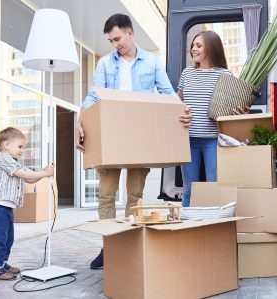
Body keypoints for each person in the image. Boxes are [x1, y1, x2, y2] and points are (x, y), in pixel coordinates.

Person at [75, 13, 191, 270]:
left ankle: (128, 245)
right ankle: (109, 246)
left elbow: (167, 93)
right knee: (106, 195)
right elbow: (94, 96)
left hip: (140, 135)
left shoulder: (152, 61)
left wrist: (182, 110)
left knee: (134, 195)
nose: (115, 44)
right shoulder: (105, 63)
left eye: (117, 38)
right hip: (110, 133)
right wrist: (80, 121)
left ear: (130, 33)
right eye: (110, 40)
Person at [177, 31, 249, 207]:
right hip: (188, 140)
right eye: (193, 45)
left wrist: (241, 113)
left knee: (214, 187)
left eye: (198, 45)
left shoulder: (225, 75)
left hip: (213, 141)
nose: (193, 49)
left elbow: (238, 111)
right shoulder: (187, 74)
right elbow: (177, 103)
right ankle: (185, 230)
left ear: (211, 47)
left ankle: (213, 228)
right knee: (189, 189)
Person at [0, 127, 55, 280]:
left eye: (24, 147)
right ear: (7, 145)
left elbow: (29, 178)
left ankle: (3, 264)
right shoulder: (4, 159)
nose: (22, 150)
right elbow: (22, 174)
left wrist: (43, 173)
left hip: (6, 208)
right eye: (20, 146)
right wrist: (44, 173)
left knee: (8, 239)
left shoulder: (15, 163)